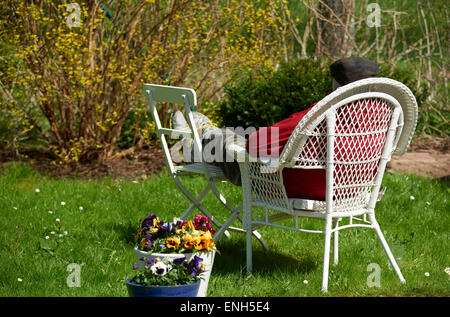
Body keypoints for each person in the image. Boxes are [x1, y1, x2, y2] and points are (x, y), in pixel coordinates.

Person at [171, 57, 380, 201]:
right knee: (243, 142)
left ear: (335, 87)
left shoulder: (322, 114)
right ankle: (194, 143)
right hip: (349, 193)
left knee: (233, 142)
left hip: (289, 186)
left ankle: (198, 138)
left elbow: (255, 145)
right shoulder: (384, 118)